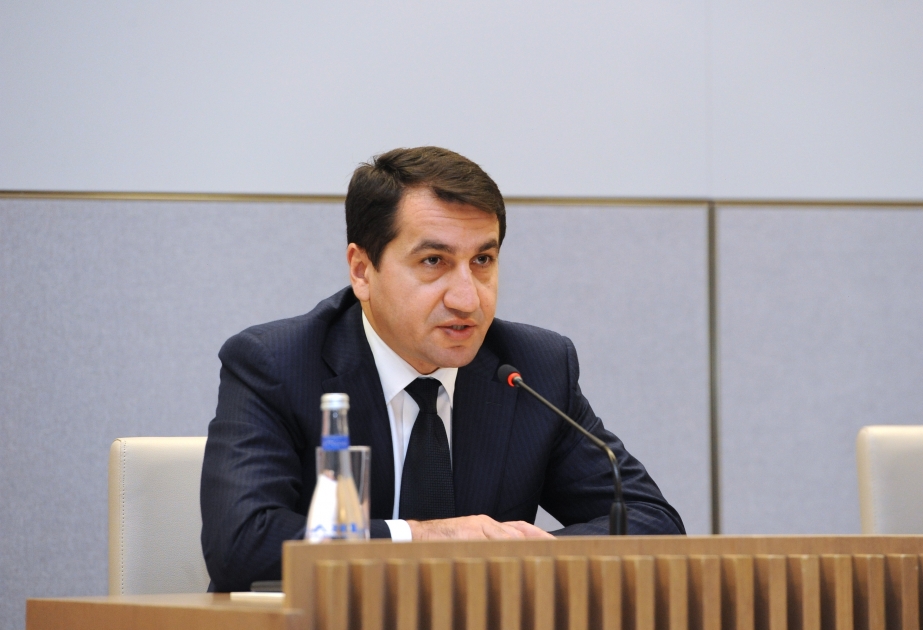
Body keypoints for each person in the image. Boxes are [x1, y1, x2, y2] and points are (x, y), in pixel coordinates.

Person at [200, 146, 685, 592]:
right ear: (362, 270)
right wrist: (426, 538)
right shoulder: (278, 364)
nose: (467, 298)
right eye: (434, 261)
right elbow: (242, 545)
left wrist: (516, 555)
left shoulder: (532, 368)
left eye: (483, 260)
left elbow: (653, 523)